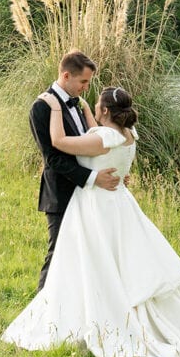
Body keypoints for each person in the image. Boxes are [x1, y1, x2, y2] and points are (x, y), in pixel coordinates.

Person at [2, 86, 180, 357]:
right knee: (121, 264)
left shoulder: (102, 138)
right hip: (120, 205)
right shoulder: (128, 135)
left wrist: (56, 107)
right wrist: (89, 110)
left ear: (105, 112)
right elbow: (97, 137)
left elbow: (58, 141)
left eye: (97, 105)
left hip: (95, 207)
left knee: (97, 263)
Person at [30, 51, 119, 291]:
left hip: (87, 195)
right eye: (83, 82)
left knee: (85, 255)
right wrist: (93, 178)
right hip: (61, 193)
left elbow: (89, 146)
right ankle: (42, 309)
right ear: (66, 75)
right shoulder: (42, 107)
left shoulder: (78, 104)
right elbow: (53, 158)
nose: (86, 87)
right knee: (58, 253)